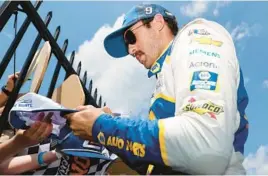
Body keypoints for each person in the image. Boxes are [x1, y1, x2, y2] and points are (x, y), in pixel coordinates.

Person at [64, 3, 249, 174]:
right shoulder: (166, 76)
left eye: (130, 36)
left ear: (158, 22)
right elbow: (156, 160)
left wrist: (102, 126)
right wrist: (107, 127)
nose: (130, 49)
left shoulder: (196, 36)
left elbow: (206, 149)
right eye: (127, 44)